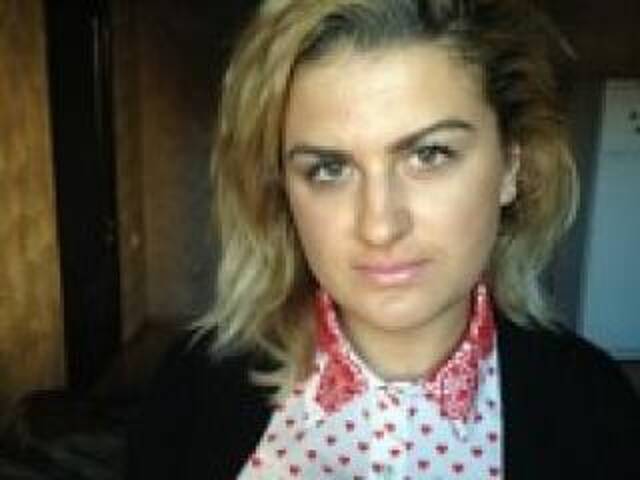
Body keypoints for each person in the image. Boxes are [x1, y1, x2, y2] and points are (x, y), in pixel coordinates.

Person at [127, 0, 640, 478]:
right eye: (329, 169)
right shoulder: (191, 389)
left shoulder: (597, 409)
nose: (379, 226)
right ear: (282, 189)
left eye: (430, 155)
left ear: (510, 165)